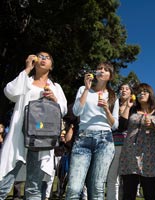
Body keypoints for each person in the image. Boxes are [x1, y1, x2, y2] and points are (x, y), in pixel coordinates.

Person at [0, 51, 68, 199]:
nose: (43, 59)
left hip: (41, 140)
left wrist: (54, 99)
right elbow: (9, 92)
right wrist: (27, 69)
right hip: (20, 135)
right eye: (40, 56)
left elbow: (63, 110)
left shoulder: (55, 87)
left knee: (34, 187)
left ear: (51, 66)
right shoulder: (26, 80)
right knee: (4, 182)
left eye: (47, 57)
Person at [66, 61, 119, 199]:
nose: (101, 71)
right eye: (99, 68)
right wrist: (86, 89)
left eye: (105, 69)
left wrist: (106, 109)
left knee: (97, 187)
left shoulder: (113, 96)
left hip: (105, 140)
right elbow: (77, 111)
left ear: (110, 76)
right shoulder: (84, 89)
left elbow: (115, 125)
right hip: (83, 137)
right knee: (74, 188)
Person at [119, 83, 155, 200]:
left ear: (151, 94)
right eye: (139, 92)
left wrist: (154, 126)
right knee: (129, 191)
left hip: (150, 155)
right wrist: (127, 107)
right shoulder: (132, 109)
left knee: (150, 191)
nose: (141, 94)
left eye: (145, 91)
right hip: (130, 153)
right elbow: (121, 126)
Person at [106, 83, 134, 200]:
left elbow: (123, 126)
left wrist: (128, 107)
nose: (124, 90)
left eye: (127, 89)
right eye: (121, 88)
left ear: (131, 93)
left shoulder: (135, 108)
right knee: (112, 178)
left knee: (128, 180)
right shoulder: (113, 106)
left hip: (130, 146)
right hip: (114, 145)